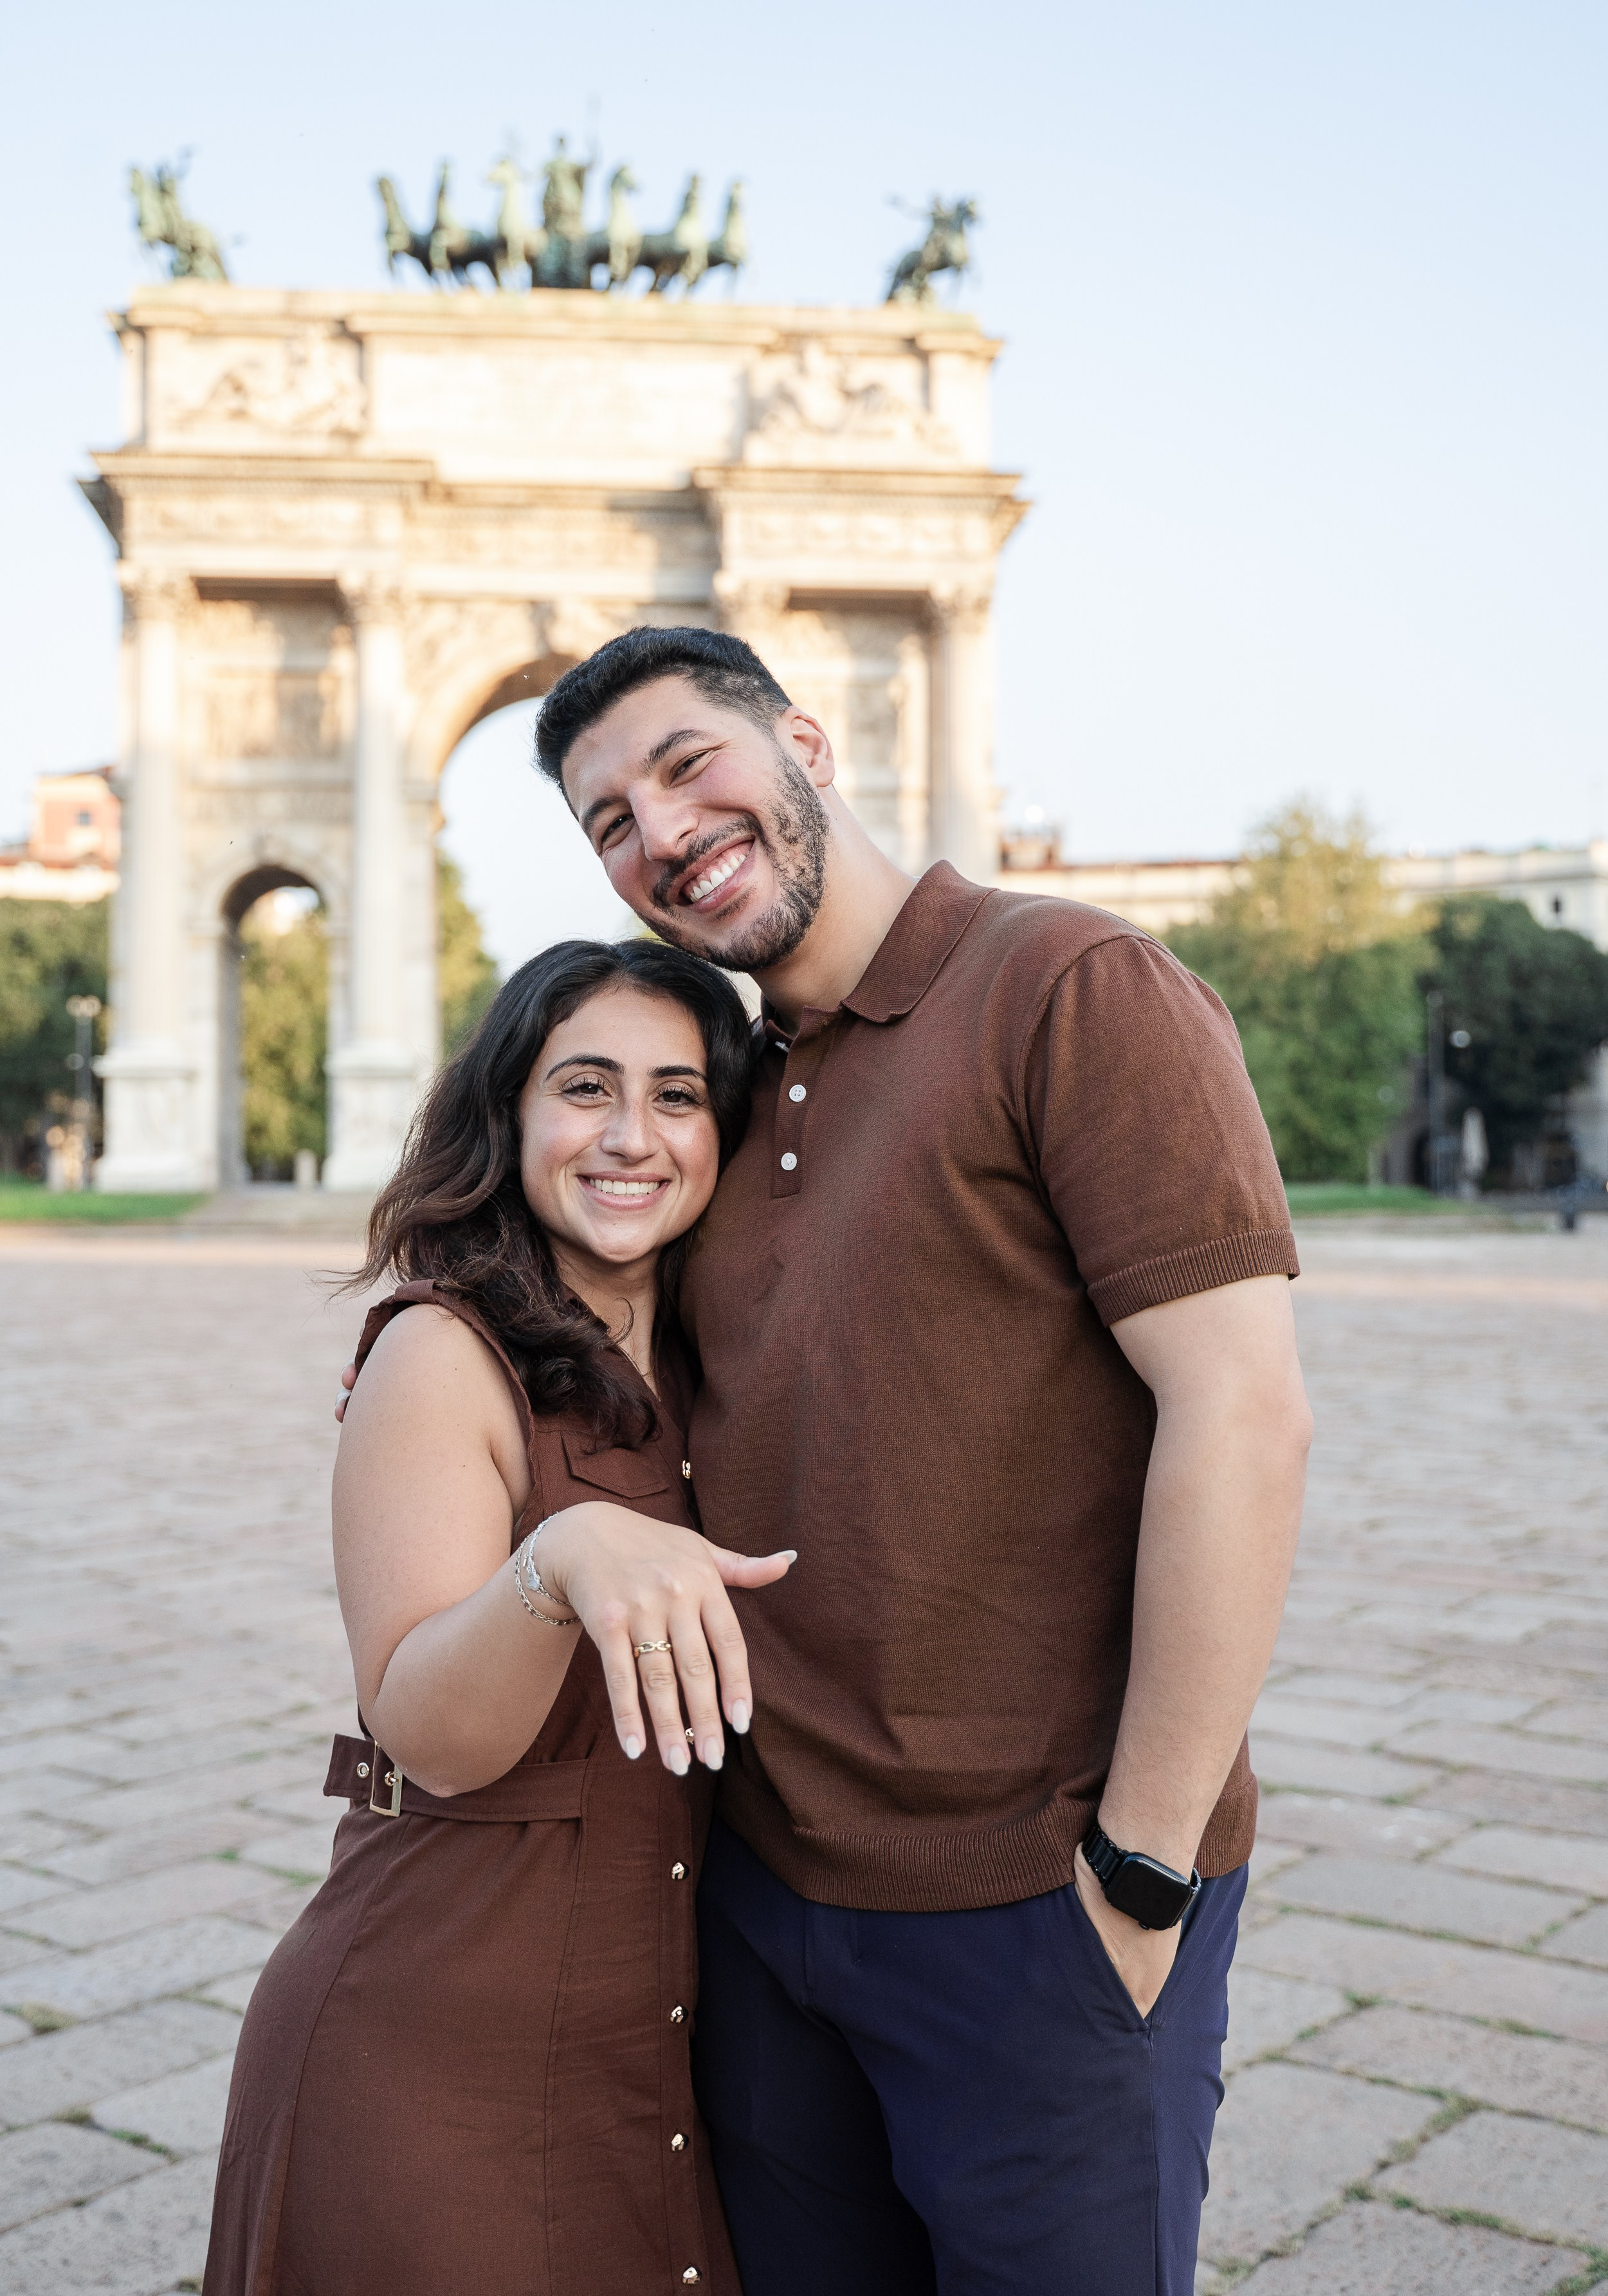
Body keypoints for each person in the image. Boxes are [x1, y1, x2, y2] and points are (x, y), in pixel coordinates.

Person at [519, 625, 1315, 2296]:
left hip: (1035, 1907)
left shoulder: (1070, 986)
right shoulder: (721, 1102)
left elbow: (1241, 1417)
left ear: (804, 740)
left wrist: (1140, 1874)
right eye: (607, 821)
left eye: (684, 767)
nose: (657, 832)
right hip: (767, 1909)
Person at [206, 939, 795, 2296]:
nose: (629, 1137)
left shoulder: (725, 1359)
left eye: (678, 1094)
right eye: (584, 1088)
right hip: (434, 2059)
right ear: (510, 1112)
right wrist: (560, 1561)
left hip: (659, 2060)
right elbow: (423, 1722)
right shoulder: (439, 1350)